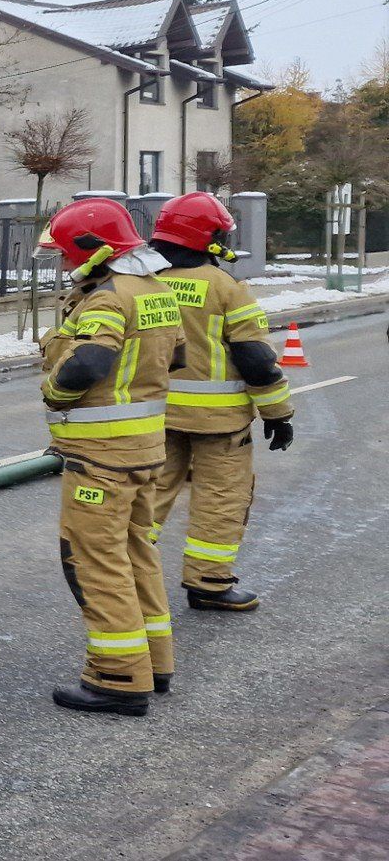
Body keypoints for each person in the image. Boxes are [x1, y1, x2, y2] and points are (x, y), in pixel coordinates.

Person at [36, 197, 185, 716]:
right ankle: (155, 663)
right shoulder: (156, 289)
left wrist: (55, 394)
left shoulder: (106, 299)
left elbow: (88, 363)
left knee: (95, 562)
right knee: (137, 553)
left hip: (101, 458)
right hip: (144, 451)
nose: (62, 262)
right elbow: (178, 356)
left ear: (92, 250)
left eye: (65, 253)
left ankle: (118, 677)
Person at [147, 193, 294, 611]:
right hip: (219, 424)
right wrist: (278, 414)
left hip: (154, 416)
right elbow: (256, 359)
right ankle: (209, 584)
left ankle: (123, 574)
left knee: (148, 496)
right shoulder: (226, 288)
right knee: (221, 499)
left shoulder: (143, 283)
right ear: (209, 238)